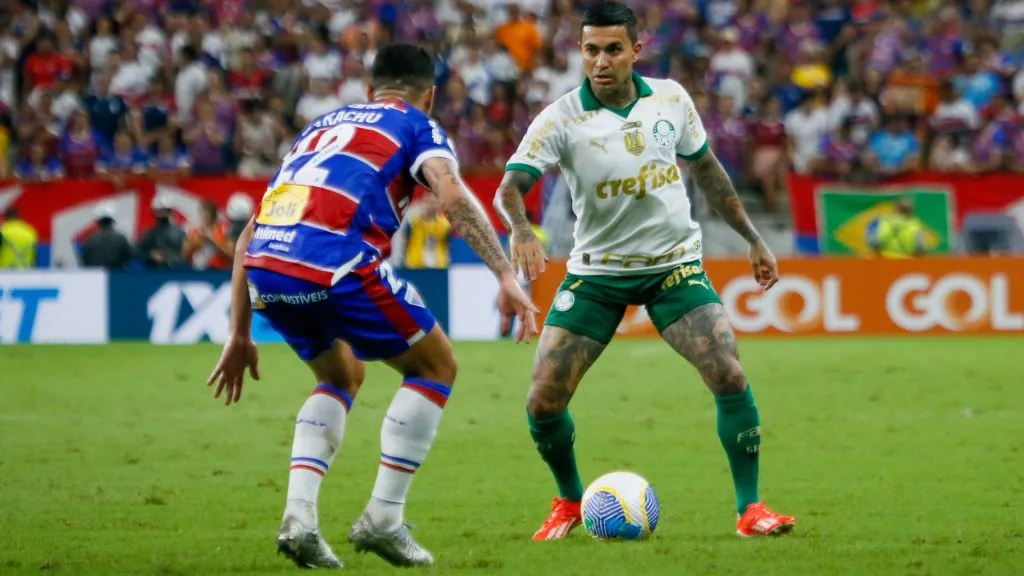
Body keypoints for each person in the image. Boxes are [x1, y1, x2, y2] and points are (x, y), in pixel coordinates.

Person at [205, 43, 539, 569]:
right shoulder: (416, 126)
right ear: (429, 94)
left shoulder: (318, 129)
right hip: (335, 262)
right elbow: (451, 195)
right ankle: (383, 518)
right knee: (435, 366)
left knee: (340, 376)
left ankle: (299, 521)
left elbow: (250, 232)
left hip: (268, 266)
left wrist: (239, 334)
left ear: (369, 90)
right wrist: (504, 273)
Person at [492, 2, 795, 541]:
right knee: (543, 397)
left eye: (612, 49)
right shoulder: (561, 117)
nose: (601, 61)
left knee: (727, 371)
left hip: (672, 265)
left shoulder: (671, 99)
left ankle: (751, 510)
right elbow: (509, 187)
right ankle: (568, 499)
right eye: (590, 50)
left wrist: (752, 238)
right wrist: (520, 231)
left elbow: (707, 170)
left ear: (637, 49)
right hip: (598, 273)